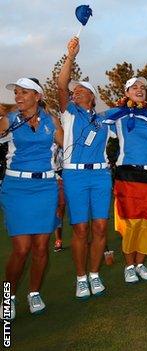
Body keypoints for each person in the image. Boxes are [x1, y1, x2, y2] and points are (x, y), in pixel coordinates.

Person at [0, 77, 63, 319]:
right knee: (21, 248)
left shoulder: (51, 121)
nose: (18, 96)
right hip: (17, 187)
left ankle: (34, 293)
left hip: (45, 187)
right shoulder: (10, 120)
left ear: (37, 96)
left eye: (24, 92)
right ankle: (8, 297)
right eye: (16, 92)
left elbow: (68, 146)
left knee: (40, 247)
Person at [57, 36, 113, 298]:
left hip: (101, 174)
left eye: (81, 90)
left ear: (92, 96)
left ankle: (94, 273)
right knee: (80, 228)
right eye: (74, 90)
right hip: (75, 175)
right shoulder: (69, 113)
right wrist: (71, 55)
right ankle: (81, 278)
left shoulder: (104, 120)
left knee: (101, 227)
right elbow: (60, 85)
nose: (75, 91)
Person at [103, 77, 147, 284]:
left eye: (142, 87)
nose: (139, 90)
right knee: (130, 223)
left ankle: (140, 264)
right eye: (135, 87)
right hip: (127, 174)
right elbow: (95, 125)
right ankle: (129, 266)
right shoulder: (117, 114)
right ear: (127, 92)